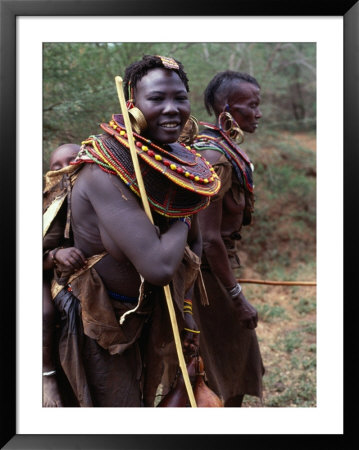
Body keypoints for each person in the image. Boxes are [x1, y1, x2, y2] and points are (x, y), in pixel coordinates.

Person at [44, 55, 220, 407]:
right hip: (100, 323)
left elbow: (194, 246)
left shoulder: (173, 162)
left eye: (180, 97)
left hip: (149, 315)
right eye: (156, 99)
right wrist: (183, 215)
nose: (172, 109)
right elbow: (157, 267)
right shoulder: (103, 170)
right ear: (132, 106)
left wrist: (184, 310)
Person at [192, 70, 265, 407]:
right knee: (225, 375)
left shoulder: (223, 151)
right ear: (226, 108)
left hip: (218, 271)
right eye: (252, 105)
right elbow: (208, 239)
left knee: (232, 366)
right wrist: (237, 297)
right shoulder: (214, 159)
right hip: (209, 280)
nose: (259, 113)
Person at [43, 143, 86, 407]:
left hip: (83, 277)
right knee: (45, 314)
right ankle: (46, 377)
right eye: (55, 167)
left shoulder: (99, 193)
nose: (63, 170)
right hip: (42, 275)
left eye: (71, 162)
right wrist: (54, 256)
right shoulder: (44, 198)